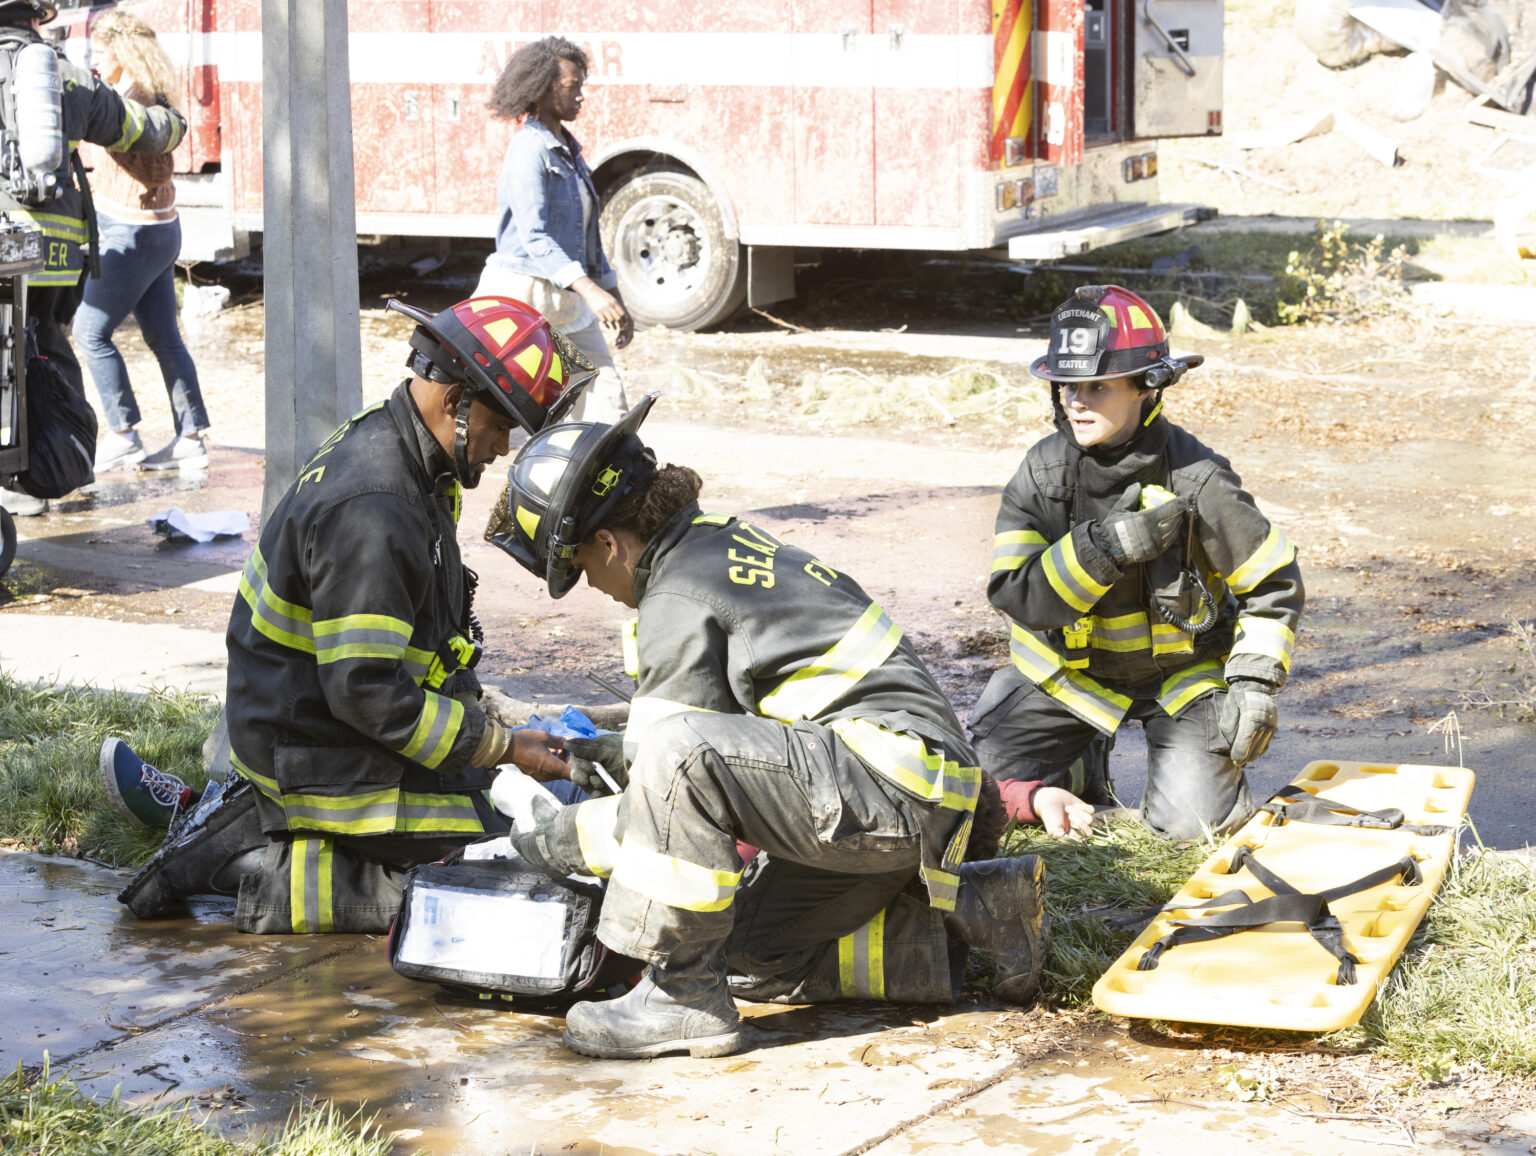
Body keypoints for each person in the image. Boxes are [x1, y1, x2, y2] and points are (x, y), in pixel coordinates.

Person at [483, 396, 1094, 1061]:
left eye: (578, 568)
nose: (591, 586)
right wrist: (594, 757)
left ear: (608, 542)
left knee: (677, 770)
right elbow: (728, 749)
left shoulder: (677, 596)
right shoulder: (712, 548)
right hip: (914, 797)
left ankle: (680, 1001)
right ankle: (984, 914)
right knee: (747, 953)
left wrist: (559, 839)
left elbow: (676, 772)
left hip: (880, 791)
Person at [103, 296, 589, 932]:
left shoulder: (405, 449)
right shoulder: (376, 507)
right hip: (315, 751)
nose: (503, 450)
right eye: (503, 427)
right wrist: (497, 747)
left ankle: (235, 814)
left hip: (311, 729)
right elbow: (368, 693)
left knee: (507, 803)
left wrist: (496, 738)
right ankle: (252, 866)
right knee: (504, 844)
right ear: (455, 401)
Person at [971, 284, 1305, 841]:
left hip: (1181, 681)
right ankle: (1074, 765)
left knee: (1192, 829)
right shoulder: (1042, 473)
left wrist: (1253, 683)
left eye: (1097, 386)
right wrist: (1103, 549)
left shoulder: (1199, 479)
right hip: (1065, 678)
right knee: (975, 798)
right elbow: (1016, 596)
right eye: (1067, 384)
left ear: (1146, 387)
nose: (1076, 400)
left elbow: (1274, 583)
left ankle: (1158, 774)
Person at [0, 0, 186, 517]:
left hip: (1, 256)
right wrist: (171, 115)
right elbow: (142, 131)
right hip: (54, 260)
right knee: (45, 354)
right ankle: (47, 471)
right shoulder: (67, 77)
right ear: (35, 18)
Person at [76, 10, 211, 474]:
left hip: (132, 230)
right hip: (161, 230)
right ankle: (190, 439)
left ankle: (123, 434)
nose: (94, 60)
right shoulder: (149, 95)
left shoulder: (131, 102)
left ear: (123, 50)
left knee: (89, 333)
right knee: (165, 338)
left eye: (99, 50)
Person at [474, 36, 630, 423]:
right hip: (522, 297)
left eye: (582, 86)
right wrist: (591, 291)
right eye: (572, 86)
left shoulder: (570, 151)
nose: (581, 96)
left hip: (567, 301)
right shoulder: (529, 148)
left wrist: (613, 294)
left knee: (607, 400)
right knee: (515, 417)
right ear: (542, 90)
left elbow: (587, 239)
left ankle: (597, 480)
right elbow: (534, 237)